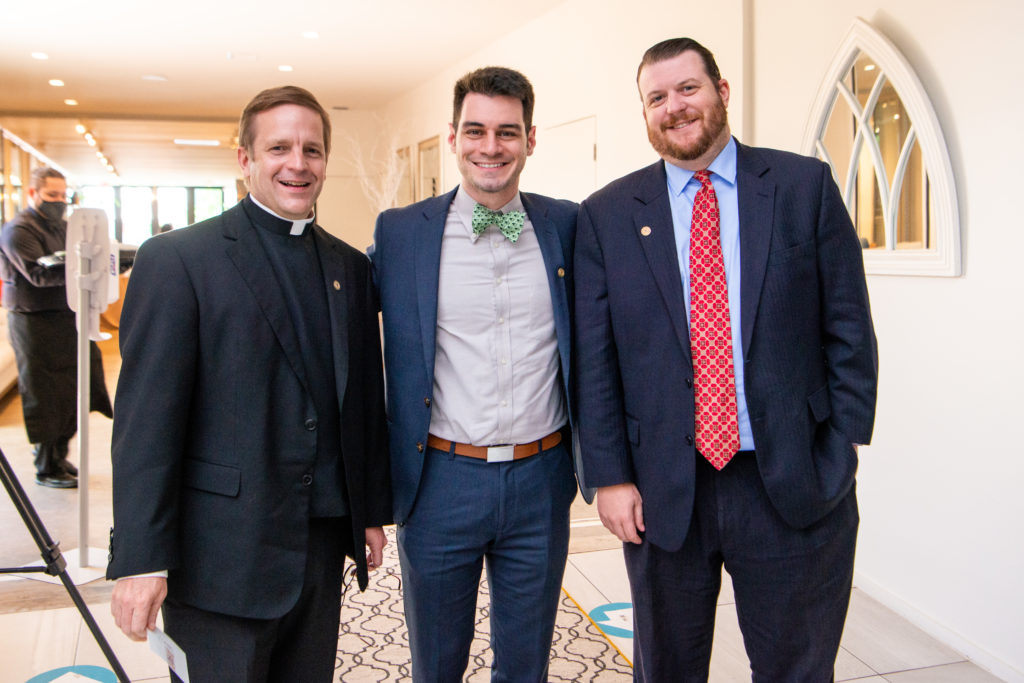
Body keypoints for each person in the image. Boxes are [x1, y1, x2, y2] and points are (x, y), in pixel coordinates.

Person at [574, 38, 879, 681]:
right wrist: (609, 475)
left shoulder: (803, 186)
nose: (674, 107)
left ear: (721, 92)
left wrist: (842, 443)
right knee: (667, 669)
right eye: (656, 97)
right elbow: (595, 359)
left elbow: (848, 324)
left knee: (796, 667)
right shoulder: (607, 215)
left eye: (688, 88)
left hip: (790, 478)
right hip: (661, 488)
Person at [106, 85, 391, 682]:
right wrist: (142, 558)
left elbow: (358, 403)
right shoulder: (179, 260)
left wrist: (366, 510)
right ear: (245, 159)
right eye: (279, 148)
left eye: (312, 150)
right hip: (220, 559)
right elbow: (146, 425)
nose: (297, 164)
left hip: (316, 549)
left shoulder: (350, 268)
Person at [369, 66, 591, 682]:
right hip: (439, 479)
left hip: (542, 480)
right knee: (436, 666)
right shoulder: (401, 233)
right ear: (452, 136)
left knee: (526, 666)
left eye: (506, 132)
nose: (490, 147)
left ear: (530, 138)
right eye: (476, 131)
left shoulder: (567, 226)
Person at [0, 166, 112, 489]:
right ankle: (45, 466)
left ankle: (60, 456)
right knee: (45, 393)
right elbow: (37, 274)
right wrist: (81, 271)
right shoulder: (17, 230)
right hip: (34, 322)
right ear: (33, 194)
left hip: (67, 317)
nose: (60, 202)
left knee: (73, 389)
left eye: (64, 196)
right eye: (52, 196)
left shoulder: (65, 227)